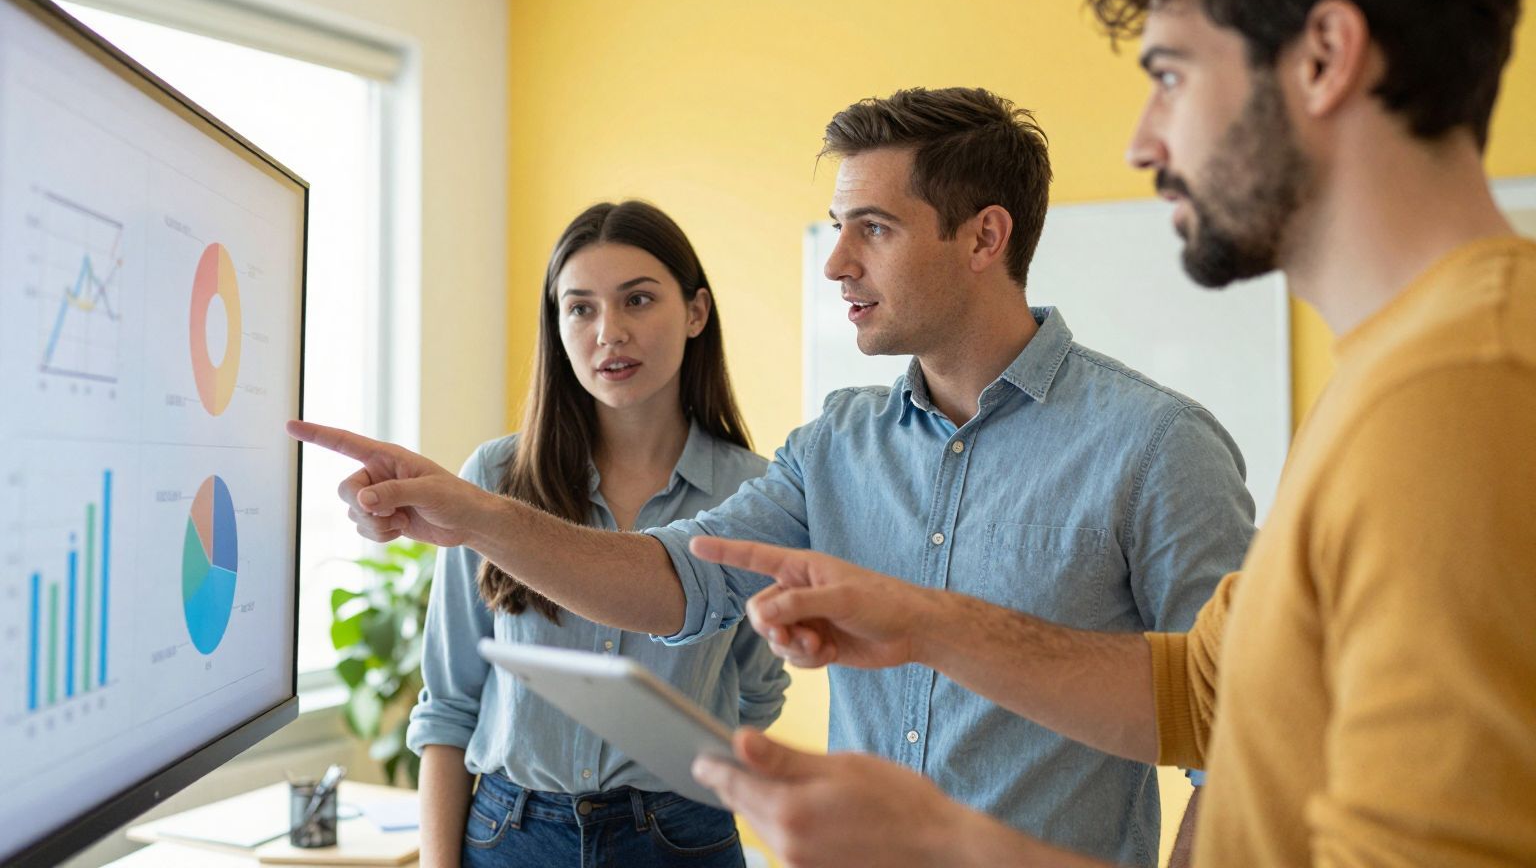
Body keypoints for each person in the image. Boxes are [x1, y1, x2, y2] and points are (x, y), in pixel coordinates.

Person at [684, 0, 1536, 865]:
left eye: (1171, 75)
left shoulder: (1462, 390)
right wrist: (925, 621)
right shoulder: (1401, 370)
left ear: (1323, 56)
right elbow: (1201, 689)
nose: (1142, 142)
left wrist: (949, 845)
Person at [290, 87, 1256, 866]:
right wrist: (475, 516)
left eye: (871, 228)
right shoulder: (835, 446)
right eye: (836, 226)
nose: (835, 261)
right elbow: (675, 584)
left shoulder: (1158, 447)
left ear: (982, 238)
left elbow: (1239, 740)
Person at [406, 200, 789, 868]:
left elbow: (757, 691)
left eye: (637, 300)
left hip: (681, 838)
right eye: (580, 308)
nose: (609, 332)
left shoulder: (756, 493)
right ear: (557, 326)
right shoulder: (493, 478)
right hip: (509, 834)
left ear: (696, 312)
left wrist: (695, 788)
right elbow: (447, 706)